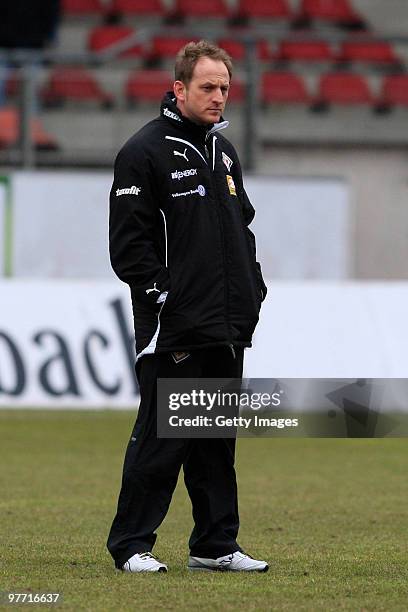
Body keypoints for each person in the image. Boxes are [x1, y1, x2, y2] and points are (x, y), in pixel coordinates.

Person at [107, 40, 268, 573]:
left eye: (224, 87)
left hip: (225, 322)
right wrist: (162, 296)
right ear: (179, 89)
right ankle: (132, 546)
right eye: (207, 87)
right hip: (174, 323)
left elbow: (240, 229)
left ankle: (215, 545)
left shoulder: (224, 152)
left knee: (216, 443)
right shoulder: (143, 151)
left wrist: (254, 286)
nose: (219, 97)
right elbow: (130, 245)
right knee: (163, 437)